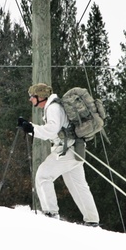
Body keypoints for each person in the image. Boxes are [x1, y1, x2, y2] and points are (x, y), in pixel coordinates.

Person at [17, 83, 99, 226]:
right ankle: (92, 220)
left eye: (32, 96)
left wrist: (31, 128)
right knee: (78, 186)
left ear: (41, 96)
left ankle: (50, 214)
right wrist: (30, 127)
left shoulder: (53, 108)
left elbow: (51, 130)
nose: (30, 99)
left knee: (43, 176)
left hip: (67, 151)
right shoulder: (54, 106)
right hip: (74, 149)